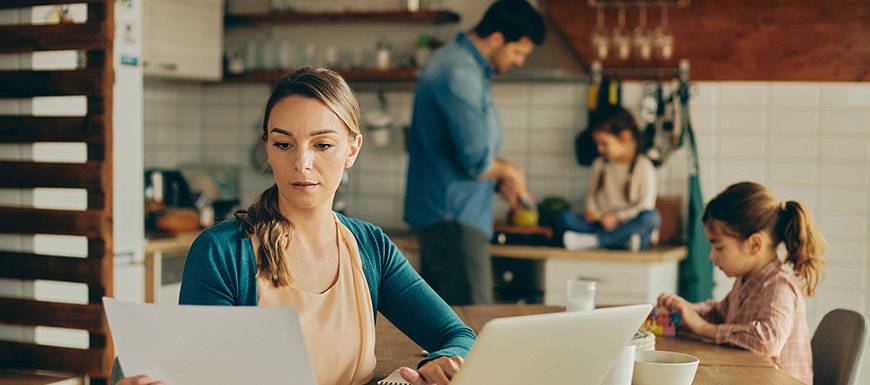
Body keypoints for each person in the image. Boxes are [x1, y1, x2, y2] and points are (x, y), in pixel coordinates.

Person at [112, 67, 476, 385]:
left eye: (322, 145)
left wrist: (440, 364)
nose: (301, 163)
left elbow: (458, 335)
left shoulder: (371, 247)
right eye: (284, 144)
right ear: (267, 149)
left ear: (352, 150)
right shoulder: (222, 254)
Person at [403, 0, 545, 305]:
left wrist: (498, 179)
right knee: (471, 330)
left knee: (449, 333)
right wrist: (509, 171)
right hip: (453, 221)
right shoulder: (459, 72)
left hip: (452, 217)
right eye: (518, 52)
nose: (519, 61)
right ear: (496, 38)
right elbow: (476, 158)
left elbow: (462, 156)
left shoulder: (465, 67)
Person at [657, 181, 826, 384]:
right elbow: (721, 312)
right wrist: (689, 309)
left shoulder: (779, 286)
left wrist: (702, 327)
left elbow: (768, 340)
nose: (711, 256)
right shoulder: (745, 281)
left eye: (718, 247)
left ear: (754, 244)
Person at [557, 106, 660, 251]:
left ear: (625, 136)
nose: (599, 149)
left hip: (628, 224)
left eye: (605, 144)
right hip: (601, 224)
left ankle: (596, 241)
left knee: (650, 217)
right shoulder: (599, 164)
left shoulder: (643, 166)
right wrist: (591, 211)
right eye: (598, 144)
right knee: (564, 217)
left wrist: (618, 218)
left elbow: (645, 205)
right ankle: (619, 242)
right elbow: (591, 194)